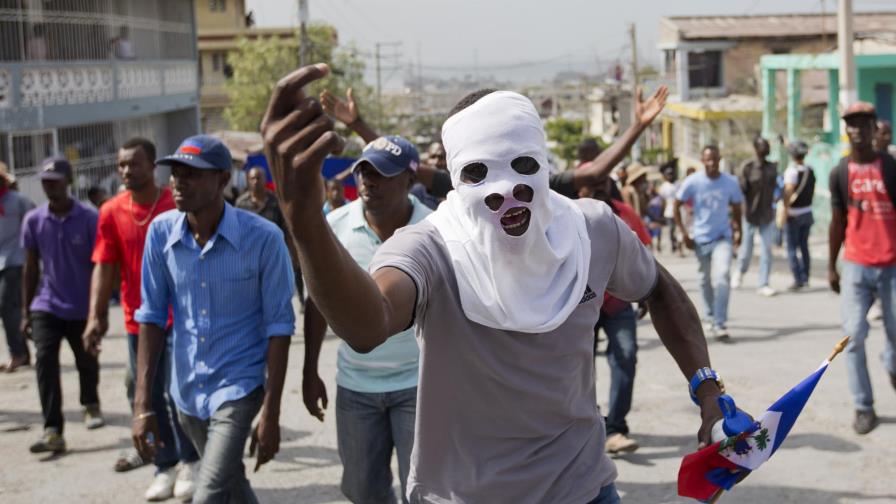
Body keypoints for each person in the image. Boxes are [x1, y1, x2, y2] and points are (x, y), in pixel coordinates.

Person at [263, 64, 725, 504]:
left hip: (582, 490)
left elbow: (660, 288)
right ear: (454, 176)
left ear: (544, 163)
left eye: (522, 165)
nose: (504, 190)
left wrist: (706, 385)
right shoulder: (431, 248)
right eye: (479, 173)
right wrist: (304, 222)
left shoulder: (591, 232)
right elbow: (368, 324)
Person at [132, 135, 296, 503]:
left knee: (209, 493)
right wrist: (142, 405)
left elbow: (280, 327)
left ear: (223, 179)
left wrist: (271, 411)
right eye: (176, 173)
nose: (179, 182)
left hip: (240, 386)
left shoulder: (264, 239)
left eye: (192, 174)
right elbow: (152, 317)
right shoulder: (161, 234)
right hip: (186, 392)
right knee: (231, 483)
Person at [304, 136, 429, 503]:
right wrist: (309, 370)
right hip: (357, 387)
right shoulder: (335, 225)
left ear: (409, 179)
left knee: (421, 490)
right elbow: (317, 303)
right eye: (363, 172)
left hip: (420, 385)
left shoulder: (434, 229)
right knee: (361, 491)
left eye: (381, 174)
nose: (368, 181)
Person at [82, 137, 199, 500]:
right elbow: (104, 266)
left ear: (152, 166)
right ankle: (164, 464)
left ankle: (191, 461)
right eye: (121, 165)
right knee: (144, 392)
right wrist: (95, 317)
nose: (126, 171)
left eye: (133, 164)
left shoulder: (177, 204)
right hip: (139, 319)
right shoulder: (111, 211)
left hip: (181, 317)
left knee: (178, 390)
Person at [321, 83, 670, 201]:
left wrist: (637, 126)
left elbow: (595, 171)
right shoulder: (464, 185)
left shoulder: (539, 183)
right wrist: (359, 125)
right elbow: (402, 161)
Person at [22, 157, 102, 454]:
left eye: (55, 179)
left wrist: (99, 308)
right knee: (45, 360)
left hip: (82, 305)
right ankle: (53, 428)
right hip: (47, 303)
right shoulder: (33, 220)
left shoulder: (89, 218)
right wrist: (25, 311)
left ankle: (90, 403)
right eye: (45, 180)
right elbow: (30, 267)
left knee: (86, 360)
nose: (49, 185)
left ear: (68, 181)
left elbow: (100, 265)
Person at [827, 102, 896, 435]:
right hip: (856, 265)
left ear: (873, 129)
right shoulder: (840, 172)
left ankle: (892, 364)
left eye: (862, 124)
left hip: (892, 265)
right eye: (850, 125)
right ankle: (863, 406)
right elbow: (838, 222)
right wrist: (831, 266)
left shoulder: (891, 167)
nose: (856, 130)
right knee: (852, 337)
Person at [580, 169, 651, 454]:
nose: (598, 188)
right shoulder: (563, 215)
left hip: (618, 302)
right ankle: (590, 424)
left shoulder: (622, 212)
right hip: (581, 304)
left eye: (602, 182)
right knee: (580, 367)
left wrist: (647, 289)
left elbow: (644, 249)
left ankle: (616, 428)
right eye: (590, 184)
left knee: (626, 355)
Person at [674, 146, 744, 340]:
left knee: (722, 277)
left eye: (715, 160)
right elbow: (676, 204)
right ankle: (709, 317)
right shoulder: (693, 182)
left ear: (720, 159)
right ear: (702, 161)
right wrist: (683, 234)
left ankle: (720, 323)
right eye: (708, 160)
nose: (712, 164)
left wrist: (740, 232)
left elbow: (737, 207)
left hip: (723, 237)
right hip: (700, 237)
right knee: (704, 279)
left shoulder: (730, 182)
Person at [236, 166, 305, 307]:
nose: (255, 181)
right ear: (248, 181)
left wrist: (292, 255)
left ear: (265, 180)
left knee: (274, 294)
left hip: (273, 256)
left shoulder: (276, 202)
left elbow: (287, 230)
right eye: (252, 178)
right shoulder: (241, 203)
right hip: (249, 256)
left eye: (258, 178)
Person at [0, 160, 35, 372]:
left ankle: (18, 353)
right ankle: (22, 351)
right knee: (10, 309)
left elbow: (35, 223)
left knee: (6, 306)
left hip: (15, 260)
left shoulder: (18, 201)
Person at [733, 137, 778, 297]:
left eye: (767, 145)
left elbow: (777, 188)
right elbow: (740, 191)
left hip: (767, 214)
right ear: (756, 148)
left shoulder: (773, 168)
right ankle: (740, 271)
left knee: (766, 249)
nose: (766, 148)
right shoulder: (747, 167)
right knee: (747, 248)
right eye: (762, 146)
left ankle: (763, 283)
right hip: (750, 214)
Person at [781, 141, 815, 291]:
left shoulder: (792, 172)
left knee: (792, 248)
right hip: (807, 213)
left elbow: (788, 191)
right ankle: (806, 277)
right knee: (804, 246)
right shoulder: (810, 170)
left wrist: (784, 208)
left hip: (794, 215)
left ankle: (798, 279)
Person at [658, 161, 681, 254]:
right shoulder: (664, 186)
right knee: (671, 229)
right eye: (668, 174)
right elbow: (662, 201)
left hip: (678, 211)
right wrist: (661, 212)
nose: (670, 176)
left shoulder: (678, 184)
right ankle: (673, 243)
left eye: (671, 174)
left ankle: (679, 246)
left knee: (678, 229)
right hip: (668, 212)